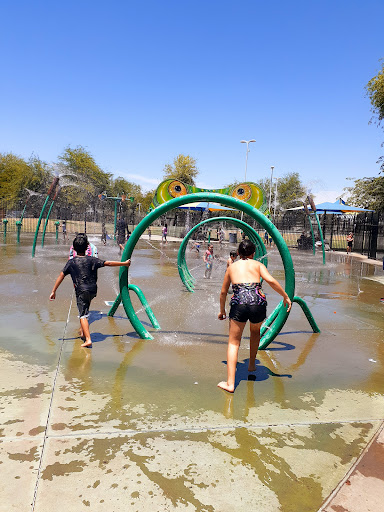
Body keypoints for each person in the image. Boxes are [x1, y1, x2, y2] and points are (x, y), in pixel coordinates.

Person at [217, 239, 292, 393]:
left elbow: (224, 292)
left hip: (240, 301)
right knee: (255, 332)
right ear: (253, 254)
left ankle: (230, 384)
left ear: (238, 253)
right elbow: (270, 280)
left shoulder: (232, 267)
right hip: (258, 300)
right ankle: (252, 365)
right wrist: (285, 296)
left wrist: (222, 310)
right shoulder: (258, 265)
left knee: (233, 343)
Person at [50, 233, 131, 348]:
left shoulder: (71, 262)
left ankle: (88, 339)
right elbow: (108, 263)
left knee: (82, 315)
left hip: (81, 291)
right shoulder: (92, 260)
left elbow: (61, 276)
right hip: (92, 290)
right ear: (88, 246)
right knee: (85, 309)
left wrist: (54, 291)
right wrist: (124, 263)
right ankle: (83, 332)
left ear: (73, 248)